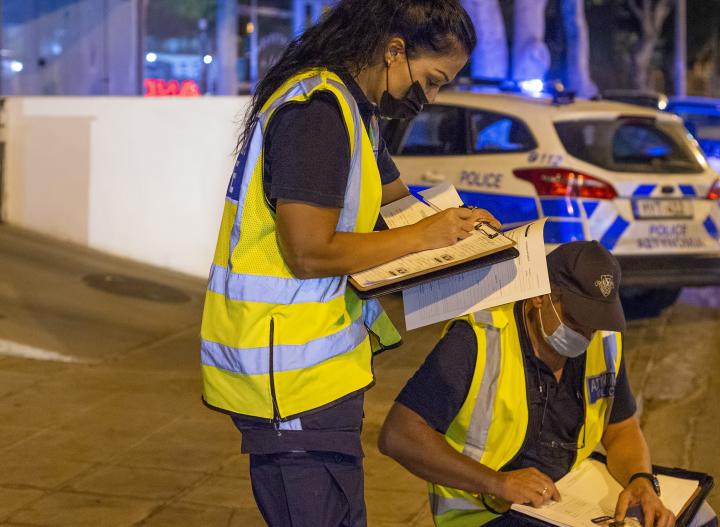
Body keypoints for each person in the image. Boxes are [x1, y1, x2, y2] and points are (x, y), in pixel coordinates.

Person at [199, 1, 498, 525]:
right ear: (394, 50)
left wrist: (471, 235)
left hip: (322, 377)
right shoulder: (318, 112)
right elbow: (310, 252)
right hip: (287, 382)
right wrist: (424, 236)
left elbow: (399, 207)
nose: (429, 98)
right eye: (432, 80)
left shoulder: (358, 111)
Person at [379, 241, 718, 527]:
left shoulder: (604, 342)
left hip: (567, 499)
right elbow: (398, 435)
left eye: (595, 323)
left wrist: (641, 482)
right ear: (541, 294)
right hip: (485, 512)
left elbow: (621, 429)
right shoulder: (479, 339)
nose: (585, 334)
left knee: (699, 518)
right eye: (575, 319)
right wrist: (498, 482)